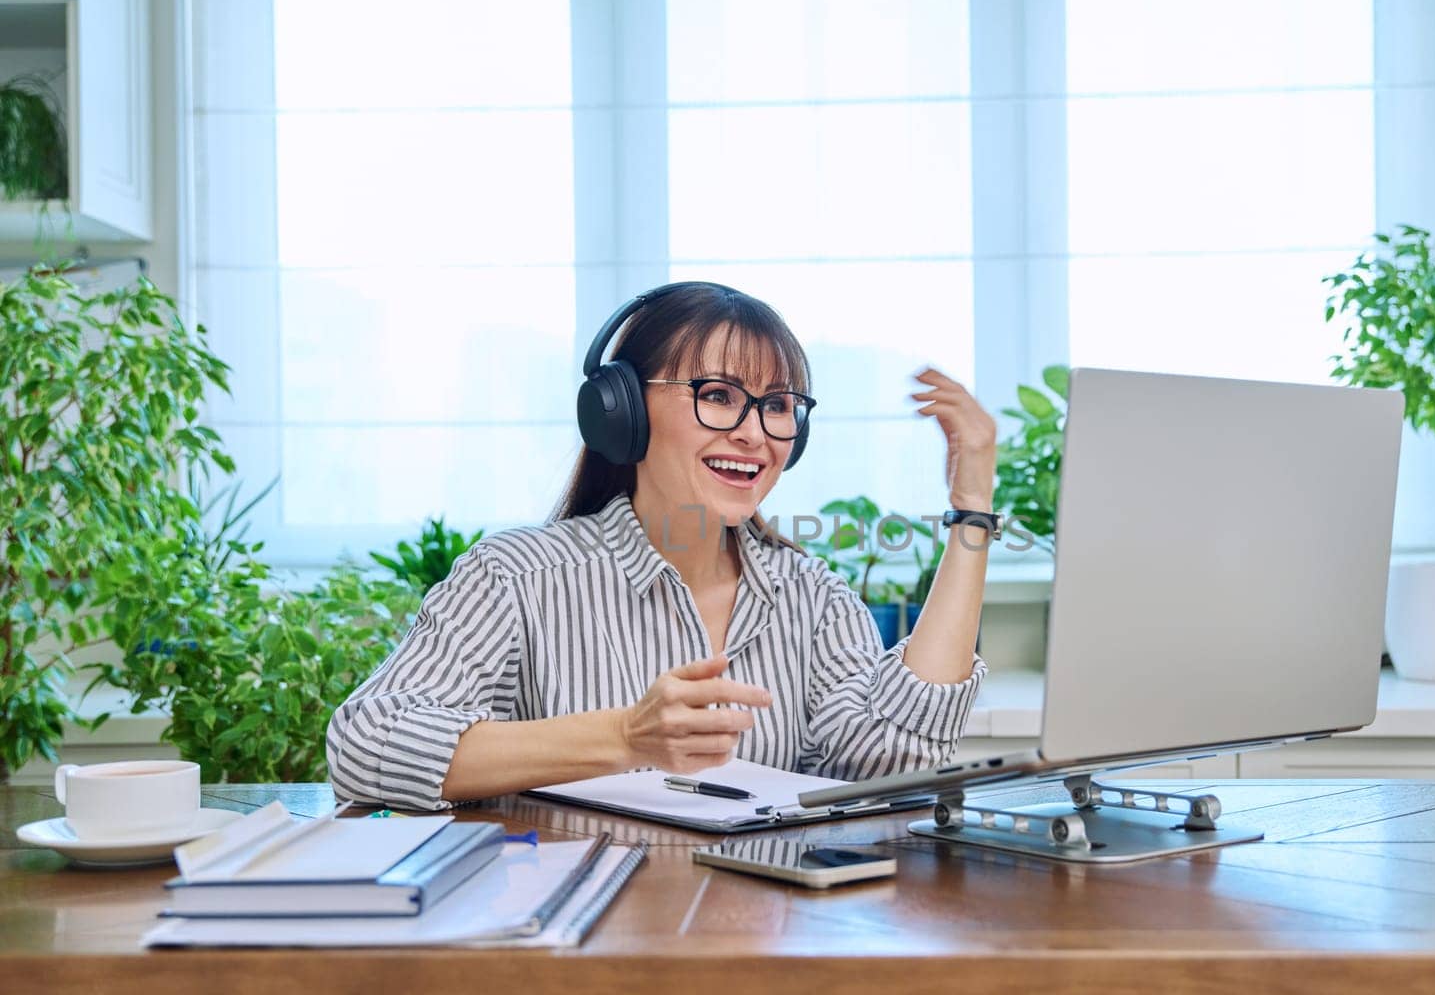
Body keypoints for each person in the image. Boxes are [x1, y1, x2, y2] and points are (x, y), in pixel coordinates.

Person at [326, 282, 997, 810]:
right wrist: (624, 737)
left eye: (777, 404)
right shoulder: (516, 577)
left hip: (759, 942)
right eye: (718, 395)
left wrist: (972, 512)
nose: (754, 433)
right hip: (578, 952)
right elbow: (366, 745)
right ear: (623, 410)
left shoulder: (810, 596)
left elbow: (900, 753)